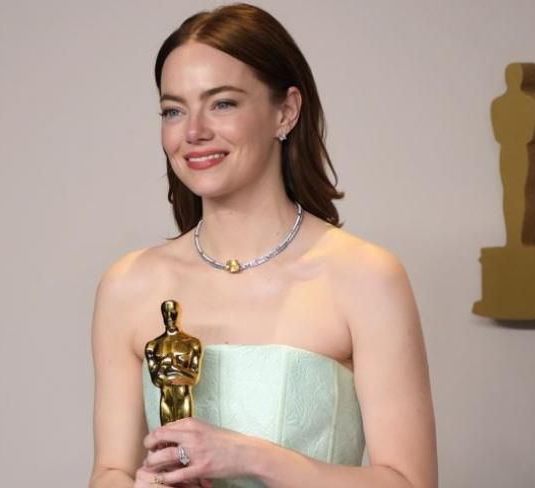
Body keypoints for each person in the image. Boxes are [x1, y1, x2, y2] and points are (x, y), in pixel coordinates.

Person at [90, 4, 437, 487]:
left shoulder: (365, 277)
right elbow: (109, 471)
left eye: (222, 104)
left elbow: (411, 482)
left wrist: (251, 457)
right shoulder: (129, 285)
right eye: (173, 110)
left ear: (286, 112)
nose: (194, 132)